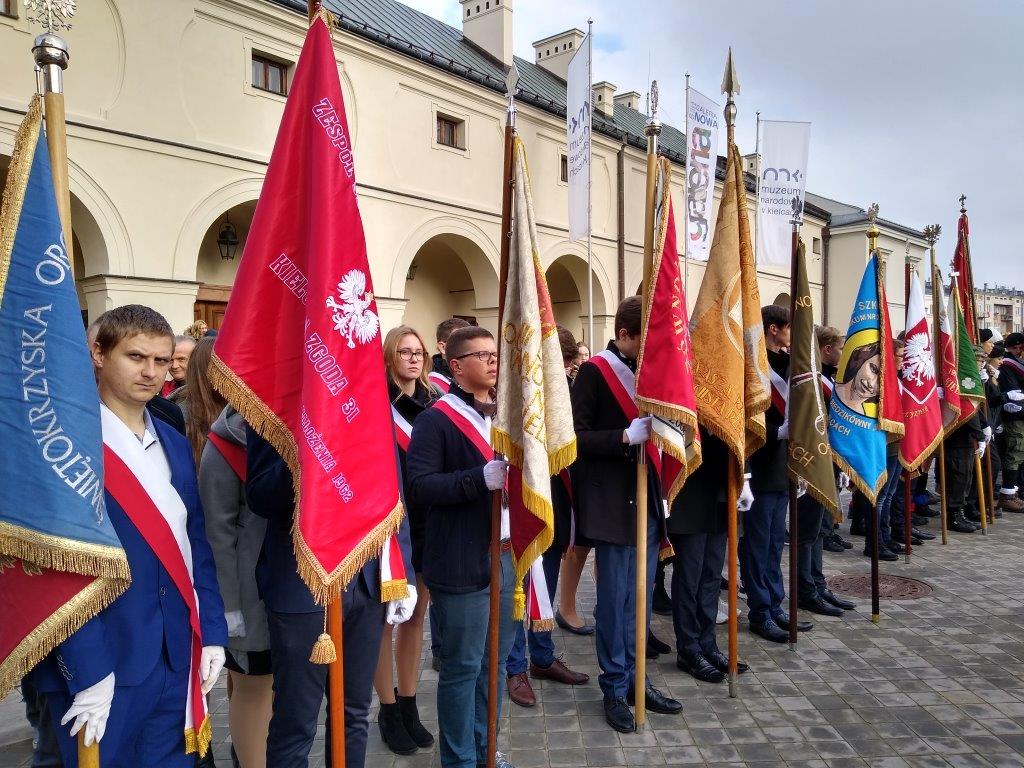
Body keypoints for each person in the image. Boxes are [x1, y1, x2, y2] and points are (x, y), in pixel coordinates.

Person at [34, 304, 228, 767]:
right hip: (100, 661)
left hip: (175, 655)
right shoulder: (61, 444)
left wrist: (212, 631)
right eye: (136, 357)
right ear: (99, 355)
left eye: (161, 360)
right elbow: (57, 565)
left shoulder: (174, 440)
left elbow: (196, 542)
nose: (151, 372)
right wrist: (87, 667)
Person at [246, 428, 415, 768]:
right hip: (301, 585)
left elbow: (392, 488)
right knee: (296, 725)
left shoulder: (368, 401)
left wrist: (404, 570)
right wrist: (307, 456)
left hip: (365, 580)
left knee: (354, 715)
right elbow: (260, 495)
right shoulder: (274, 402)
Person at [406, 326, 518, 768]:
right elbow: (420, 486)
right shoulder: (436, 419)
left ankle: (486, 750)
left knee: (496, 665)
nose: (493, 361)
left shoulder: (506, 416)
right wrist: (476, 479)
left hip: (506, 554)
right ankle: (459, 761)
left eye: (495, 354)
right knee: (463, 669)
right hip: (460, 560)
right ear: (456, 366)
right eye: (482, 355)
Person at [571, 296, 682, 734]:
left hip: (646, 501)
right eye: (644, 340)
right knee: (615, 602)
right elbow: (575, 438)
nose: (652, 349)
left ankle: (639, 679)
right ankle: (614, 686)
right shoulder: (594, 372)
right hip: (612, 505)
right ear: (624, 334)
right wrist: (622, 436)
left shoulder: (649, 373)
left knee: (641, 600)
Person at [505, 326, 590, 708]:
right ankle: (514, 667)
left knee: (545, 586)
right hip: (520, 507)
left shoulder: (565, 394)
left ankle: (541, 656)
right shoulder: (513, 393)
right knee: (517, 593)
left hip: (555, 506)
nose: (566, 369)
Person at [374, 326, 438, 755]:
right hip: (390, 526)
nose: (414, 359)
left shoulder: (435, 403)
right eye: (404, 351)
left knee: (416, 616)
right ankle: (388, 707)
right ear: (389, 357)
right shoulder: (375, 404)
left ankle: (410, 701)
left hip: (428, 522)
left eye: (419, 352)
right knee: (385, 620)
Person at [200, 405, 272, 768]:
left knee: (268, 687)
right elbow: (217, 534)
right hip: (247, 595)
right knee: (254, 684)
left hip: (286, 587)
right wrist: (228, 607)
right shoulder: (224, 444)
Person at [741, 305, 812, 643]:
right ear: (773, 329)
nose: (791, 335)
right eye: (788, 328)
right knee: (757, 547)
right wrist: (776, 433)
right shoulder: (754, 366)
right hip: (760, 468)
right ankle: (759, 611)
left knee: (774, 545)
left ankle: (774, 604)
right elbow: (746, 422)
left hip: (784, 468)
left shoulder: (788, 364)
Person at [669, 429, 750, 682]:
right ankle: (689, 648)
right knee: (690, 574)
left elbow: (738, 425)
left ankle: (707, 642)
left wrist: (745, 476)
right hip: (691, 479)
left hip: (721, 481)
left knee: (712, 573)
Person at [998, 333, 1024, 513]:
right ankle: (1007, 495)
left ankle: (1014, 492)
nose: (1018, 351)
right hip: (1014, 417)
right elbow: (1014, 395)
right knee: (1015, 452)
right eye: (1016, 348)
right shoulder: (1008, 365)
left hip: (1020, 415)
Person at [428, 317, 471, 394]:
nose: (470, 349)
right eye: (462, 343)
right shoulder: (430, 384)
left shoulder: (473, 374)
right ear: (443, 347)